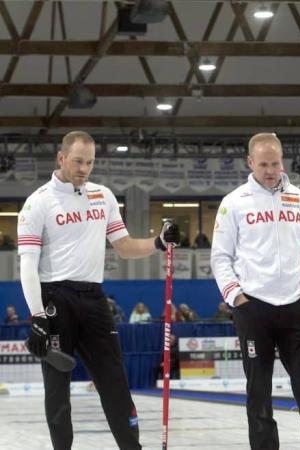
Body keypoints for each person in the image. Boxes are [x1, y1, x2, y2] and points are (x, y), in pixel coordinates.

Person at [17, 130, 180, 450]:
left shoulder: (103, 196)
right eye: (77, 161)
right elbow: (27, 263)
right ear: (61, 158)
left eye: (89, 162)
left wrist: (158, 242)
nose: (83, 168)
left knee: (114, 381)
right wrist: (37, 314)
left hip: (93, 298)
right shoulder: (38, 202)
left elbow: (124, 247)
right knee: (57, 390)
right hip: (54, 298)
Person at [211, 132, 300, 450]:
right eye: (263, 164)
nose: (270, 170)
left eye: (275, 163)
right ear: (250, 162)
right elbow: (220, 257)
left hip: (297, 306)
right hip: (254, 308)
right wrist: (235, 296)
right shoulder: (234, 202)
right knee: (259, 391)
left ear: (283, 162)